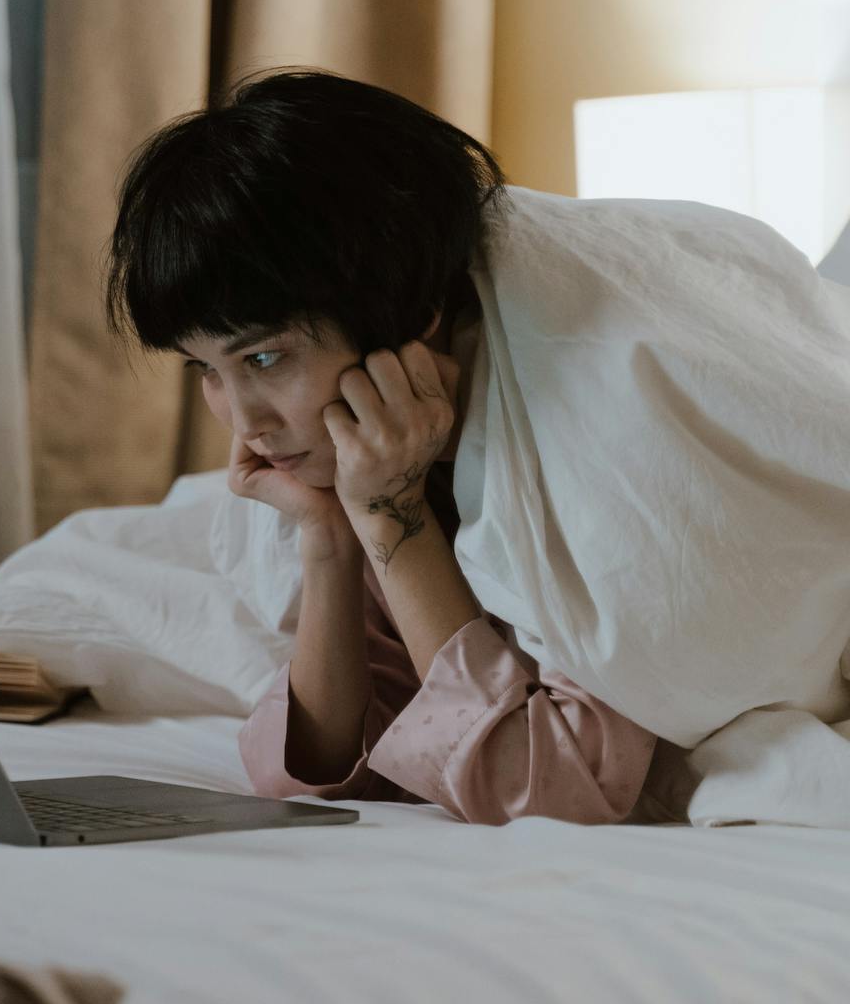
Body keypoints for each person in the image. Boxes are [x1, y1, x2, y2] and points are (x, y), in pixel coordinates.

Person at [105, 68, 659, 826]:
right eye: (206, 369)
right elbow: (309, 772)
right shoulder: (378, 467)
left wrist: (396, 515)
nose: (243, 422)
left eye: (264, 358)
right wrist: (332, 538)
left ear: (415, 319)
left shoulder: (593, 451)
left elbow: (543, 787)